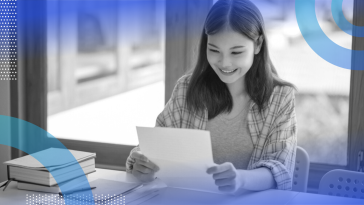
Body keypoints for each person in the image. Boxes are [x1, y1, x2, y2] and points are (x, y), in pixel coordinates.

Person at [126, 0, 297, 195]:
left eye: (236, 52)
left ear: (257, 44)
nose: (225, 62)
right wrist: (143, 167)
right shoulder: (186, 88)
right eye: (214, 50)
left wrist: (240, 179)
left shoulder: (281, 97)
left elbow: (280, 169)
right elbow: (155, 147)